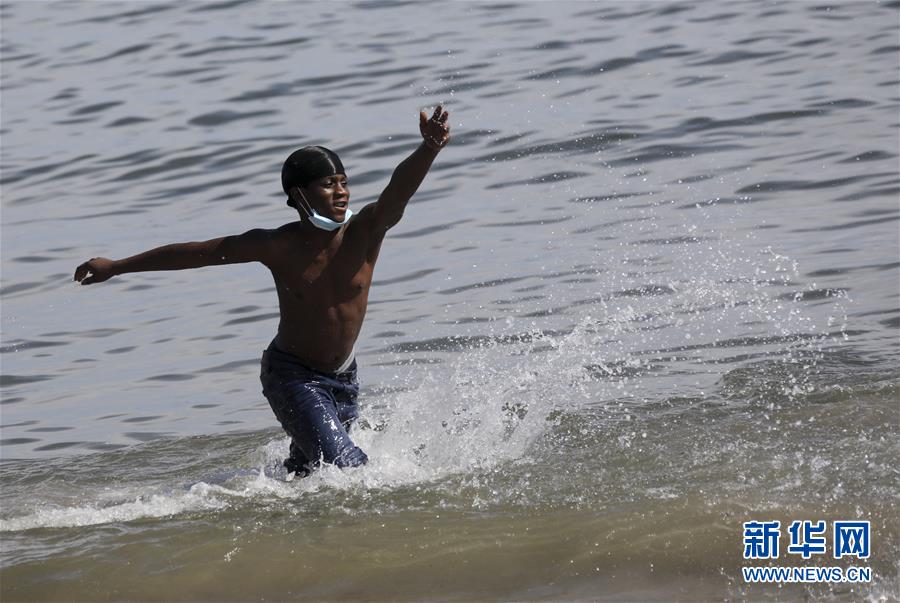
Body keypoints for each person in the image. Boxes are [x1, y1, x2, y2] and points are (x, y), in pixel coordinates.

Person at [74, 105, 451, 477]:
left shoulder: (366, 231)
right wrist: (117, 266)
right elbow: (198, 254)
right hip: (293, 377)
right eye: (328, 184)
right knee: (350, 471)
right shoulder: (277, 246)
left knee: (309, 477)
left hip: (344, 376)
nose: (341, 193)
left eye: (344, 182)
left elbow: (398, 192)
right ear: (299, 195)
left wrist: (428, 148)